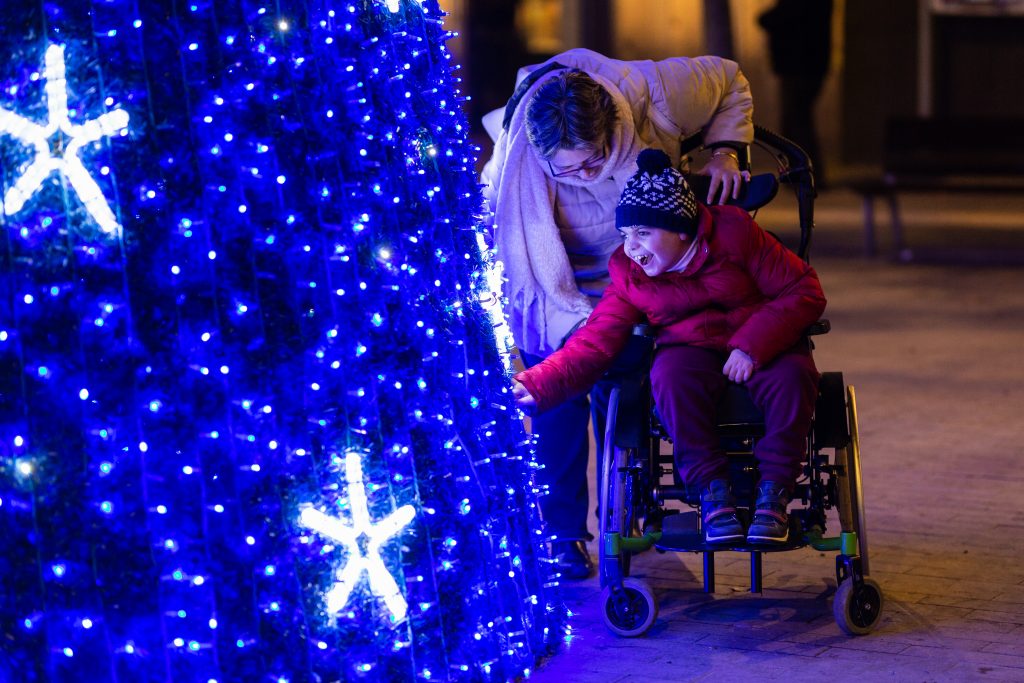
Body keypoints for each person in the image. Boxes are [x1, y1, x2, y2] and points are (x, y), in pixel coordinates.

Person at [480, 48, 755, 578]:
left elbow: (729, 80)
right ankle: (562, 531)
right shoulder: (519, 150)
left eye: (593, 159)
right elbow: (498, 226)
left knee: (628, 379)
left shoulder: (654, 93)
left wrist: (726, 151)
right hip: (555, 281)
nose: (583, 175)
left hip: (642, 271)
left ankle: (628, 508)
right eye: (566, 170)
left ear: (611, 127)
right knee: (557, 389)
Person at [511, 148, 826, 546]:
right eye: (626, 234)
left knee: (794, 375)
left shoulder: (736, 233)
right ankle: (712, 492)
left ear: (681, 228)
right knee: (668, 375)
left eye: (643, 233)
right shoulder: (630, 273)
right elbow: (596, 341)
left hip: (762, 339)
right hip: (690, 348)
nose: (633, 248)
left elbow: (804, 291)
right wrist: (538, 383)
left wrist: (751, 345)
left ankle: (775, 491)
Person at [758, 0, 834, 184]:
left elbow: (771, 19)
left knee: (797, 123)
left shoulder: (801, 7)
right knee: (797, 123)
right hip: (805, 68)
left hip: (800, 68)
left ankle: (806, 174)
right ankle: (801, 174)